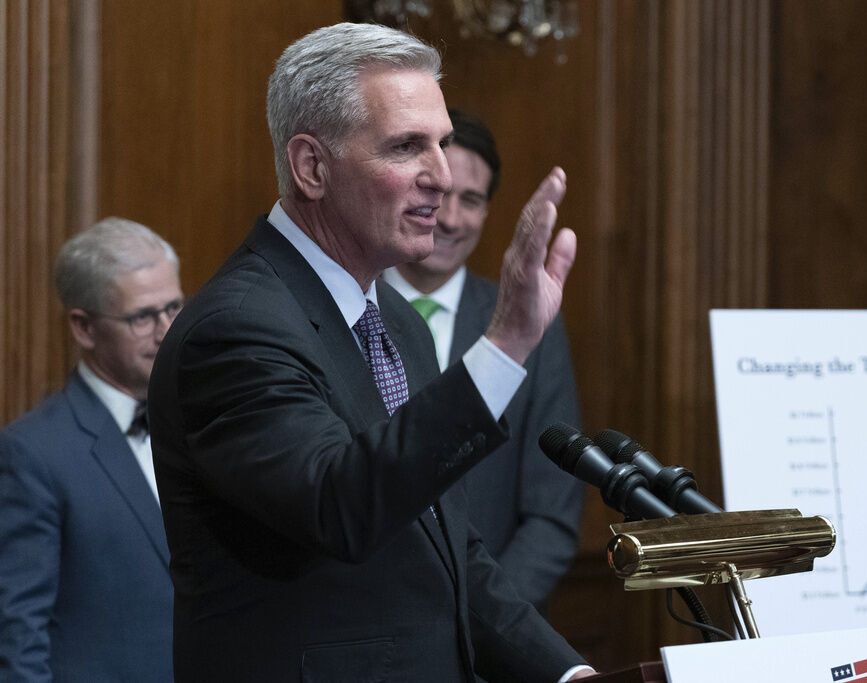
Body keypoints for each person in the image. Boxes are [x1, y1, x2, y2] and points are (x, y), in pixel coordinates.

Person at [148, 22, 594, 682]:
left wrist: (567, 673)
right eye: (408, 146)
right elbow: (341, 504)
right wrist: (505, 343)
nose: (441, 178)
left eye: (441, 144)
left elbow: (446, 548)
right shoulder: (236, 329)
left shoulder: (397, 325)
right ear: (312, 167)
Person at [382, 108, 583, 611]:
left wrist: (478, 628)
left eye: (470, 201)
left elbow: (551, 515)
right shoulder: (345, 311)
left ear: (487, 212)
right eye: (441, 196)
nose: (450, 219)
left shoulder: (532, 324)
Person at [0, 217, 180, 681]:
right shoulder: (33, 454)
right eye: (143, 317)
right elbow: (19, 636)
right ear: (83, 328)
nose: (166, 331)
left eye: (174, 308)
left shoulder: (203, 422)